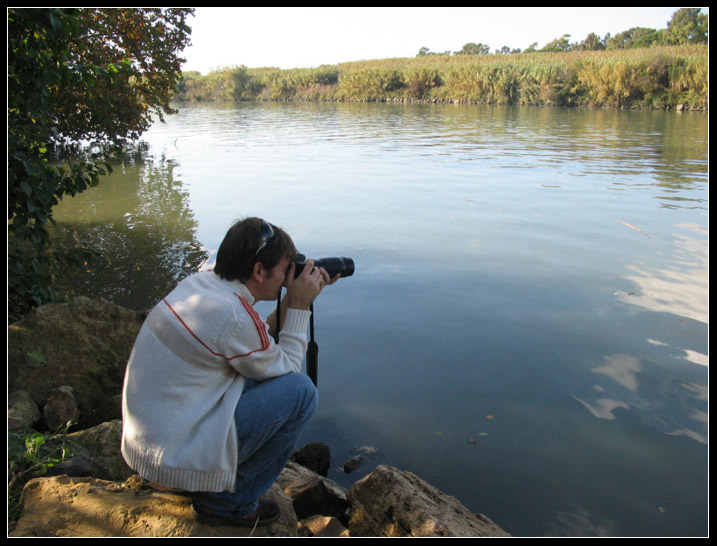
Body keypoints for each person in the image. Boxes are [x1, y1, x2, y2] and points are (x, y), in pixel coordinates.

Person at [121, 217, 337, 527]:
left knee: (256, 374)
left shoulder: (204, 286)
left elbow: (256, 340)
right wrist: (301, 305)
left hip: (148, 449)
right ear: (259, 271)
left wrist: (291, 297)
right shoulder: (233, 317)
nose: (286, 277)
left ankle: (207, 481)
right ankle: (229, 503)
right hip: (170, 461)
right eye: (283, 270)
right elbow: (288, 370)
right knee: (302, 393)